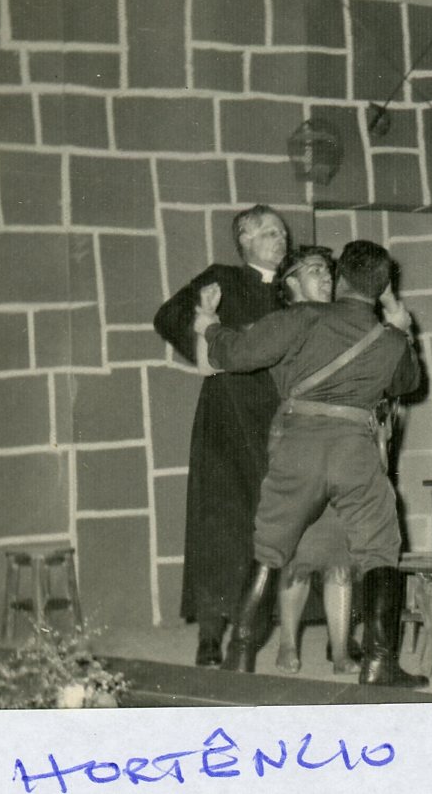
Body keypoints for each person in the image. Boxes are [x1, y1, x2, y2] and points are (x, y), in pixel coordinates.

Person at [196, 240, 428, 688]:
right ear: (382, 286)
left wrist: (210, 327)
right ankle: (379, 664)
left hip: (298, 446)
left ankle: (239, 655)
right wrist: (400, 325)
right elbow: (408, 383)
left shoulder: (302, 318)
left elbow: (235, 354)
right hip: (356, 450)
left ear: (340, 279)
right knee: (380, 548)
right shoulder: (389, 338)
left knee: (269, 546)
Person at [153, 205, 288, 667]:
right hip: (226, 419)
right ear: (244, 239)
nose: (280, 239)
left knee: (274, 526)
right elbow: (168, 316)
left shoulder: (291, 289)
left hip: (278, 421)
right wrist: (205, 333)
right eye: (269, 232)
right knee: (218, 526)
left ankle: (275, 632)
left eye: (281, 232)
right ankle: (210, 635)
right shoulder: (222, 279)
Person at [254, 245, 363, 676]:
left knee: (339, 551)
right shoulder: (284, 324)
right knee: (298, 550)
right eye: (315, 270)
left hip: (343, 442)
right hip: (298, 441)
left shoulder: (342, 321)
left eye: (328, 270)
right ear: (291, 283)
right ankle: (287, 643)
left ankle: (340, 650)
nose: (327, 276)